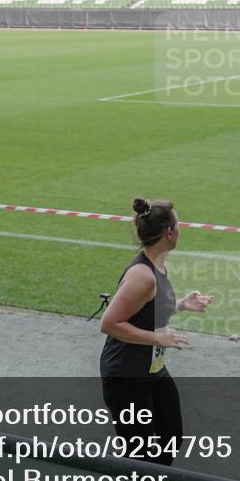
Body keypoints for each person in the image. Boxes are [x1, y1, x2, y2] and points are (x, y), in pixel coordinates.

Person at [99, 197, 212, 466]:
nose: (180, 229)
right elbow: (109, 323)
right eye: (178, 224)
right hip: (126, 376)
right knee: (141, 454)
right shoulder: (143, 275)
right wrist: (156, 337)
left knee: (170, 438)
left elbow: (147, 308)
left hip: (150, 369)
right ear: (168, 232)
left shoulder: (158, 264)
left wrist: (182, 304)